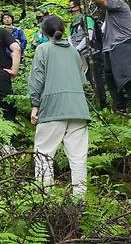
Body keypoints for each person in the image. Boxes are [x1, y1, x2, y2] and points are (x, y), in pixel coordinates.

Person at [28, 15, 91, 196]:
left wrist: (35, 105)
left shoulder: (43, 49)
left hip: (52, 108)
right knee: (78, 157)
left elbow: (37, 79)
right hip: (78, 108)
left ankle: (45, 199)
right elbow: (83, 81)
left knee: (43, 154)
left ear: (43, 31)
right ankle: (80, 200)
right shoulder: (73, 51)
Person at [67, 0, 131, 111]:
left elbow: (102, 0)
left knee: (127, 78)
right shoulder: (111, 12)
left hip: (122, 45)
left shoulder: (119, 3)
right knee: (110, 78)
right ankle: (120, 108)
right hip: (110, 48)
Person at [68, 0, 106, 108]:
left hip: (92, 53)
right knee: (88, 80)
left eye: (70, 6)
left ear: (76, 7)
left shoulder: (87, 19)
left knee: (97, 81)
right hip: (80, 56)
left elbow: (89, 35)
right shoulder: (72, 24)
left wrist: (77, 48)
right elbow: (70, 38)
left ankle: (103, 105)